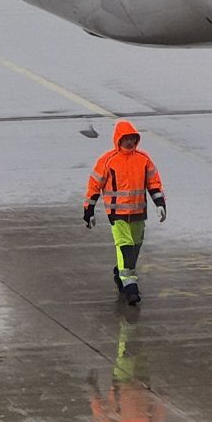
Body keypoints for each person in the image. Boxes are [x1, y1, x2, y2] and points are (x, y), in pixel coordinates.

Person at [84, 120, 166, 305]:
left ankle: (120, 272)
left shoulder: (143, 159)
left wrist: (160, 203)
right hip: (117, 213)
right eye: (126, 138)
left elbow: (154, 183)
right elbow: (94, 185)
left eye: (132, 138)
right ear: (118, 139)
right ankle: (130, 285)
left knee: (136, 245)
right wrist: (89, 209)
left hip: (138, 212)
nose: (129, 142)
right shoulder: (108, 160)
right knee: (125, 245)